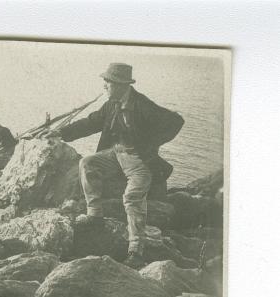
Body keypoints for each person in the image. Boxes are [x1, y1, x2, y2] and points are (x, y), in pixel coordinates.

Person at [43, 63, 184, 268]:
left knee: (132, 198)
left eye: (107, 82)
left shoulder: (142, 105)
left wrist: (149, 145)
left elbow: (175, 122)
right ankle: (95, 214)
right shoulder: (112, 104)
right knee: (87, 163)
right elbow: (90, 122)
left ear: (120, 84)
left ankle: (136, 250)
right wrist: (61, 133)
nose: (104, 86)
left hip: (139, 161)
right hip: (115, 154)